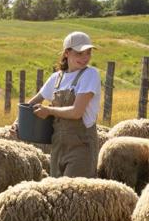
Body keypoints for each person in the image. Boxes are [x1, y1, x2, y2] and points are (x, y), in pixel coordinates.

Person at [24, 31, 101, 177]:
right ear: (67, 53)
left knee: (75, 194)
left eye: (88, 53)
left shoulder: (90, 75)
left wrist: (49, 110)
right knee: (57, 193)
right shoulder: (56, 78)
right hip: (58, 146)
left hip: (81, 147)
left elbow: (76, 112)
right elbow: (34, 102)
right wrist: (19, 124)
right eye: (79, 53)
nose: (85, 58)